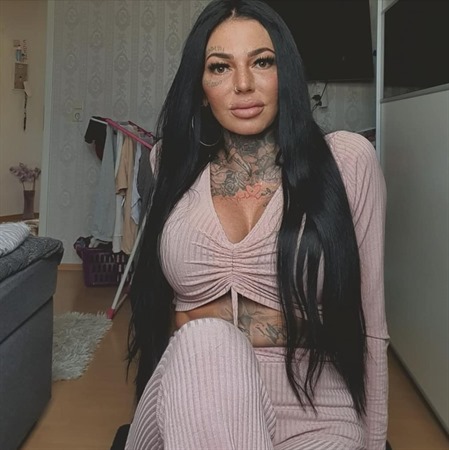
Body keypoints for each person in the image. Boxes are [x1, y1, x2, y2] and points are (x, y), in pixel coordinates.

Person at [125, 0, 389, 449]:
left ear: (286, 73)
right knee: (207, 342)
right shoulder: (169, 160)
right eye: (220, 67)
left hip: (316, 409)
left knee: (205, 331)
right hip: (195, 394)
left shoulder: (347, 161)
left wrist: (375, 441)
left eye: (262, 62)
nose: (243, 84)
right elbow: (156, 308)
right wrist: (218, 328)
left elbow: (369, 326)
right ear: (200, 86)